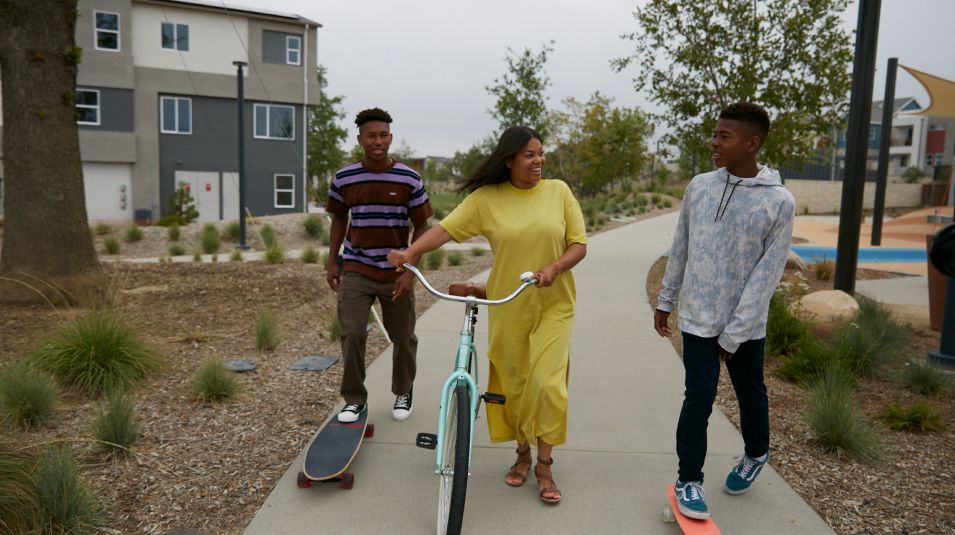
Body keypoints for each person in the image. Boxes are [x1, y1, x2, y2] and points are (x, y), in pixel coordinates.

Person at [387, 126, 587, 505]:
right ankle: (522, 454)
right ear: (509, 160)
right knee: (515, 386)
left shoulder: (558, 192)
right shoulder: (487, 199)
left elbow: (578, 244)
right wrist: (411, 253)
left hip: (554, 305)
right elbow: (445, 231)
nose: (538, 160)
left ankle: (544, 465)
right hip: (508, 305)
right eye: (529, 154)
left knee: (547, 385)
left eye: (540, 153)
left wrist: (555, 267)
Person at [654, 102, 795, 519]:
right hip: (698, 316)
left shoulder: (778, 202)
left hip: (745, 325)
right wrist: (666, 299)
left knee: (750, 394)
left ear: (752, 143)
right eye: (714, 134)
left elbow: (766, 277)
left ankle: (756, 453)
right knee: (698, 397)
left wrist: (734, 334)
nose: (713, 142)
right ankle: (688, 481)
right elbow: (681, 245)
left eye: (723, 136)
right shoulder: (700, 186)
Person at [325, 107, 433, 423]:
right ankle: (354, 399)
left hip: (396, 271)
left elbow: (422, 226)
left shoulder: (409, 178)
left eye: (383, 135)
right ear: (360, 139)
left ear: (391, 137)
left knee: (404, 337)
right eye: (371, 135)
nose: (378, 141)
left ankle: (403, 390)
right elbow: (338, 218)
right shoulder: (344, 178)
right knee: (352, 333)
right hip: (356, 268)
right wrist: (332, 262)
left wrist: (410, 271)